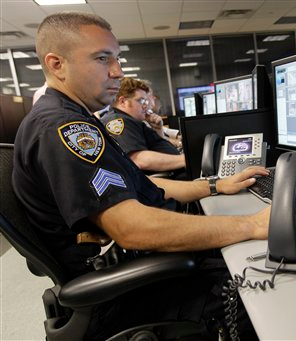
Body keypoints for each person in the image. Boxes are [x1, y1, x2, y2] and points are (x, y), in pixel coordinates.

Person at [12, 12, 270, 340]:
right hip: (116, 296)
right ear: (57, 64)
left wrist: (214, 185)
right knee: (250, 283)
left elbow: (142, 184)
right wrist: (253, 224)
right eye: (102, 58)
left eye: (116, 58)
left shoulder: (72, 117)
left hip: (119, 272)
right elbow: (131, 228)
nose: (118, 71)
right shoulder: (63, 128)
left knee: (233, 256)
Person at [101, 77, 186, 176]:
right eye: (141, 101)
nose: (145, 106)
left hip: (173, 172)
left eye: (146, 101)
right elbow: (139, 160)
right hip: (167, 178)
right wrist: (185, 159)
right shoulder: (118, 121)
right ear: (123, 102)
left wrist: (158, 129)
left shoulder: (131, 120)